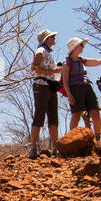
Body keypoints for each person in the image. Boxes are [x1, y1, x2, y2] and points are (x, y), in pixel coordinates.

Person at [62, 36, 101, 139]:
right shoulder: (67, 61)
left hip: (87, 86)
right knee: (76, 114)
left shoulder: (82, 60)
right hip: (75, 89)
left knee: (95, 111)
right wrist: (69, 94)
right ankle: (71, 140)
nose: (83, 47)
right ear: (75, 47)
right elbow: (65, 80)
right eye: (81, 45)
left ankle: (97, 137)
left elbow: (100, 61)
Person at [28, 29, 66, 159]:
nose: (54, 39)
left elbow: (50, 69)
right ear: (46, 39)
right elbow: (34, 68)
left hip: (50, 86)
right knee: (39, 115)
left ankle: (55, 147)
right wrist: (50, 72)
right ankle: (33, 147)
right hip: (41, 85)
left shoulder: (48, 53)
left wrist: (59, 69)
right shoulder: (41, 51)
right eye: (52, 37)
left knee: (53, 116)